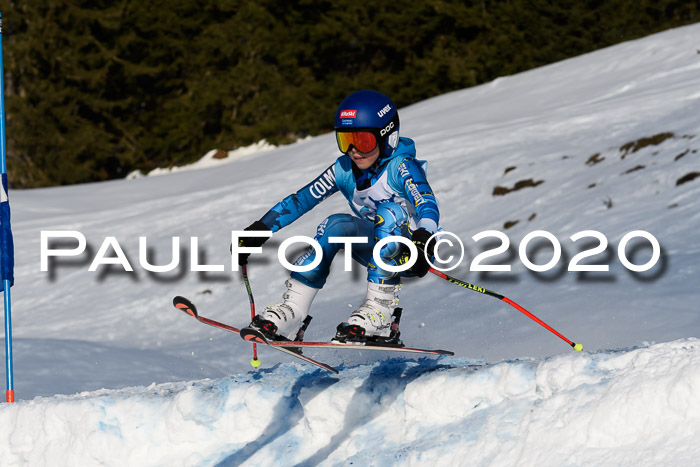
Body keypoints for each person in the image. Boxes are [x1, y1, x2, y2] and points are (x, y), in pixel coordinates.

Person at [237, 89, 440, 343]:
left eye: (363, 141)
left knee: (389, 211)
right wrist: (259, 230)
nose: (354, 151)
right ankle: (294, 310)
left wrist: (423, 240)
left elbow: (427, 204)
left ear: (387, 136)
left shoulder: (401, 167)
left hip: (413, 250)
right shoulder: (344, 169)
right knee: (335, 224)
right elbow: (302, 199)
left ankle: (380, 314)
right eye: (346, 141)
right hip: (376, 250)